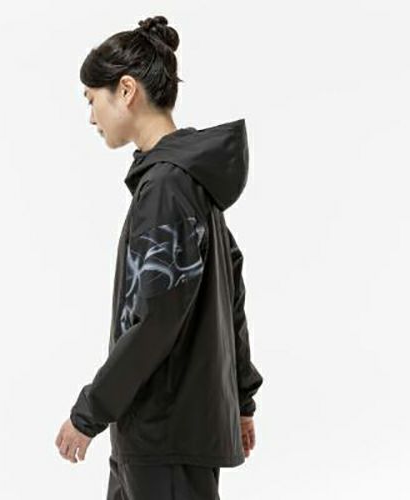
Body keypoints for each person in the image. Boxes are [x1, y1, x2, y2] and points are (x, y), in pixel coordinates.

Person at [55, 15, 264, 499]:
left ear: (126, 90)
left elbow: (156, 320)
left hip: (162, 436)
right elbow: (231, 293)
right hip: (162, 435)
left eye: (91, 99)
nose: (91, 118)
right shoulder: (188, 181)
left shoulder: (168, 186)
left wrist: (88, 413)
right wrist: (241, 399)